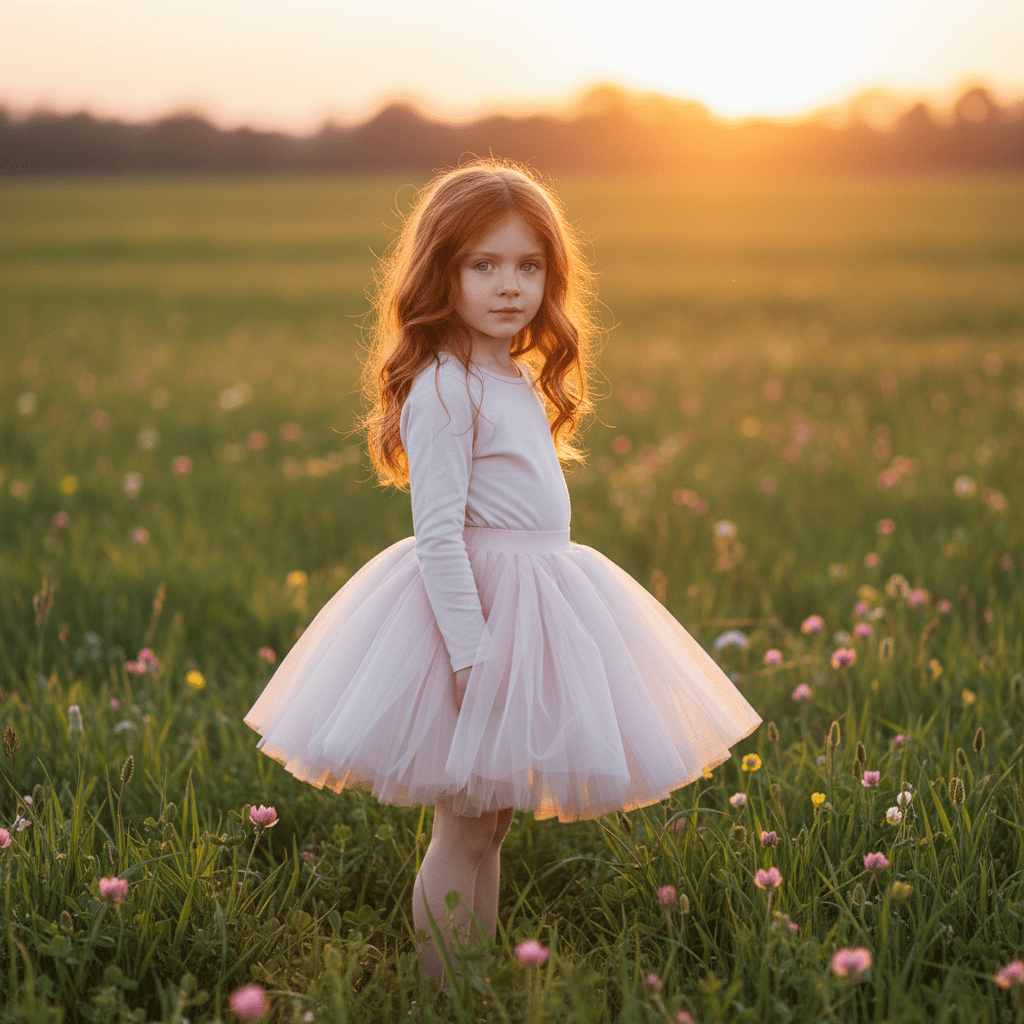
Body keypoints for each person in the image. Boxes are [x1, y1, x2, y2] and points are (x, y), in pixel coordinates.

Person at [244, 158, 761, 989]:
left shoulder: (511, 374)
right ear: (440, 272)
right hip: (473, 620)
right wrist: (471, 652)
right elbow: (438, 536)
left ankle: (471, 975)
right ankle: (444, 990)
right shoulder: (447, 387)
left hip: (535, 605)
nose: (509, 285)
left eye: (528, 266)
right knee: (463, 828)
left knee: (491, 824)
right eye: (483, 265)